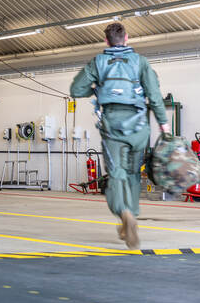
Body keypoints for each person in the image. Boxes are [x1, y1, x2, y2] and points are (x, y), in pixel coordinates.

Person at [70, 22, 170, 248]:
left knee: (116, 175)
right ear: (127, 38)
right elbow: (154, 94)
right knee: (133, 173)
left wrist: (96, 87)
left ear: (106, 41)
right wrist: (164, 125)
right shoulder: (141, 62)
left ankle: (123, 212)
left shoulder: (98, 61)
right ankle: (133, 214)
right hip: (138, 127)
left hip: (112, 126)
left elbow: (75, 90)